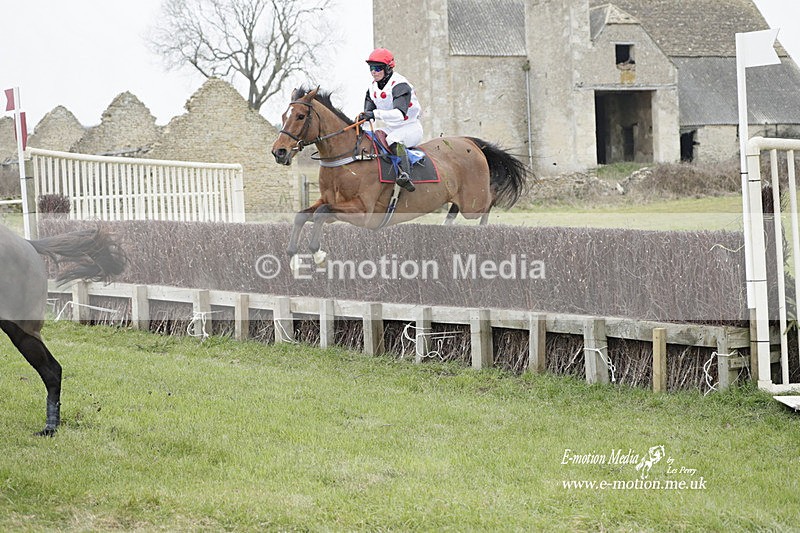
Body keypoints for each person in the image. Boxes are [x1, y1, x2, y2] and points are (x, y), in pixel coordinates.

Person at [358, 48, 423, 192]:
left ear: (388, 68)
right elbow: (368, 114)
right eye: (371, 68)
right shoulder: (371, 88)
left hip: (410, 127)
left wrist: (375, 114)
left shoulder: (400, 85)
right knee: (370, 137)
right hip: (390, 127)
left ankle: (406, 175)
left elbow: (399, 114)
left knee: (393, 139)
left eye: (377, 68)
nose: (373, 72)